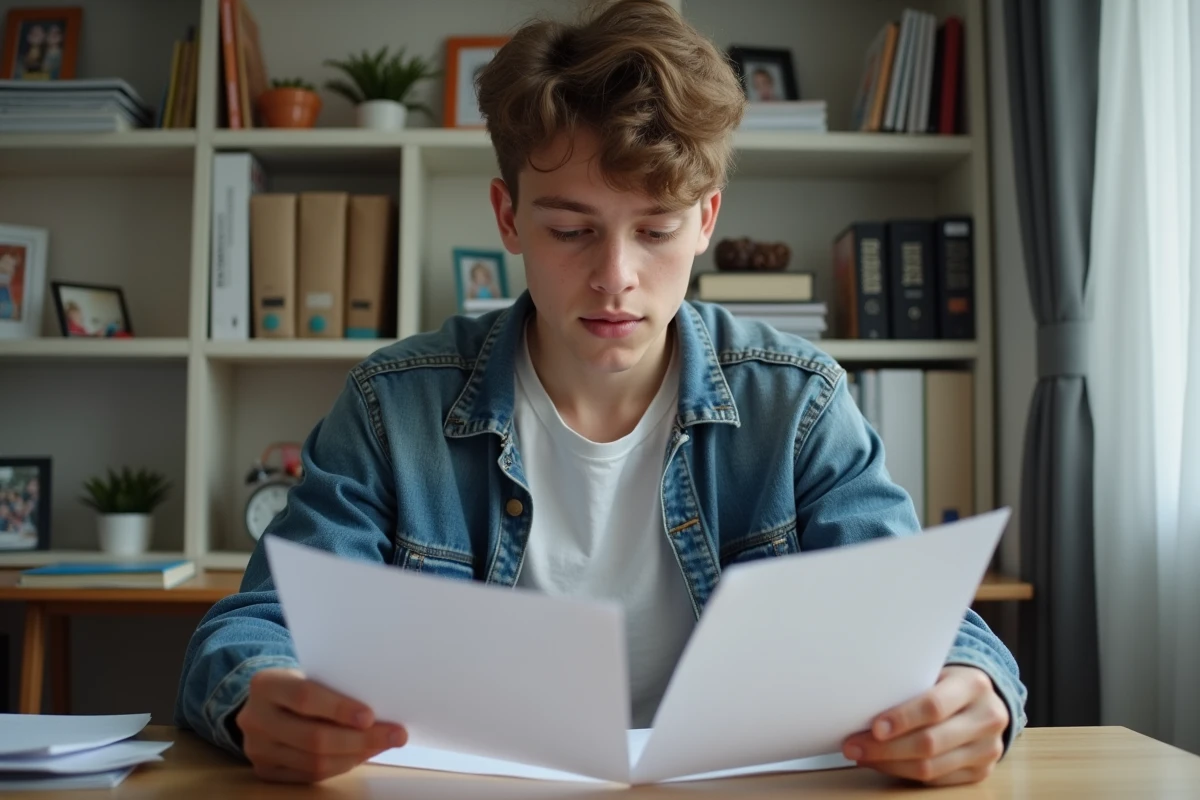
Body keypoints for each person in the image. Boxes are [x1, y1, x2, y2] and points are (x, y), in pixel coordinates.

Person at [175, 0, 1026, 786]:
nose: (615, 278)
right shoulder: (395, 406)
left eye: (654, 230)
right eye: (571, 230)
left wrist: (972, 689)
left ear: (706, 220)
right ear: (508, 219)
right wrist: (261, 697)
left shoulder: (796, 403)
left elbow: (926, 630)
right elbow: (250, 630)